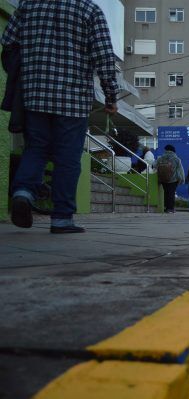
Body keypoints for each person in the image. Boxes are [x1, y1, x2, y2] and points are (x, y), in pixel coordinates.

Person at [3, 0, 119, 233]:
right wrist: (111, 96)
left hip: (34, 95)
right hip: (73, 100)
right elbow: (104, 57)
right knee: (67, 158)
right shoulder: (89, 10)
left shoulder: (29, 5)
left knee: (35, 148)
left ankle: (23, 192)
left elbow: (7, 44)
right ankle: (62, 218)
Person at [156, 145, 185, 213]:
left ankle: (166, 208)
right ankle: (171, 208)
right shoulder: (176, 159)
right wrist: (181, 179)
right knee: (171, 193)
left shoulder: (160, 158)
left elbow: (154, 165)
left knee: (166, 193)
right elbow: (180, 170)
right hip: (173, 179)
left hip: (163, 179)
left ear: (166, 150)